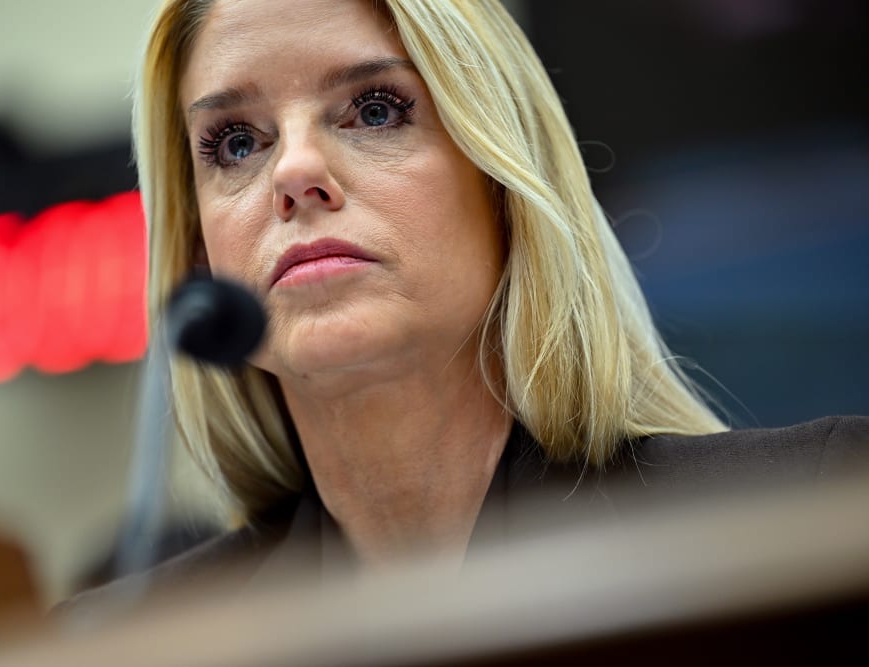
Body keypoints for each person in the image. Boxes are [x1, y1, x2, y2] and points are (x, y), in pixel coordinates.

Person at [73, 0, 868, 602]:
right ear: (200, 252)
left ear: (502, 186)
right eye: (237, 143)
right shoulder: (138, 636)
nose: (293, 170)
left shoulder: (820, 509)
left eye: (376, 109)